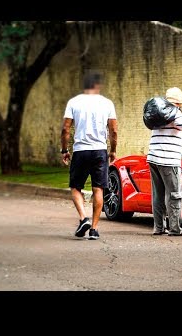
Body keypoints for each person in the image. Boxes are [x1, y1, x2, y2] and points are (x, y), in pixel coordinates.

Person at [60, 72, 117, 240]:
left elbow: (65, 129)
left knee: (76, 187)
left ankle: (83, 218)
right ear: (98, 85)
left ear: (85, 86)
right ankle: (94, 229)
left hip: (80, 150)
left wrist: (64, 150)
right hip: (100, 150)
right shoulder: (107, 103)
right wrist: (112, 150)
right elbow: (113, 130)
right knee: (98, 188)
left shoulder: (74, 102)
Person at [147, 87, 182, 236]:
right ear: (179, 102)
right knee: (175, 194)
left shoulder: (156, 113)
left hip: (153, 157)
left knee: (158, 194)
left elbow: (166, 137)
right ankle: (175, 228)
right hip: (168, 160)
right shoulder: (176, 114)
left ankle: (158, 227)